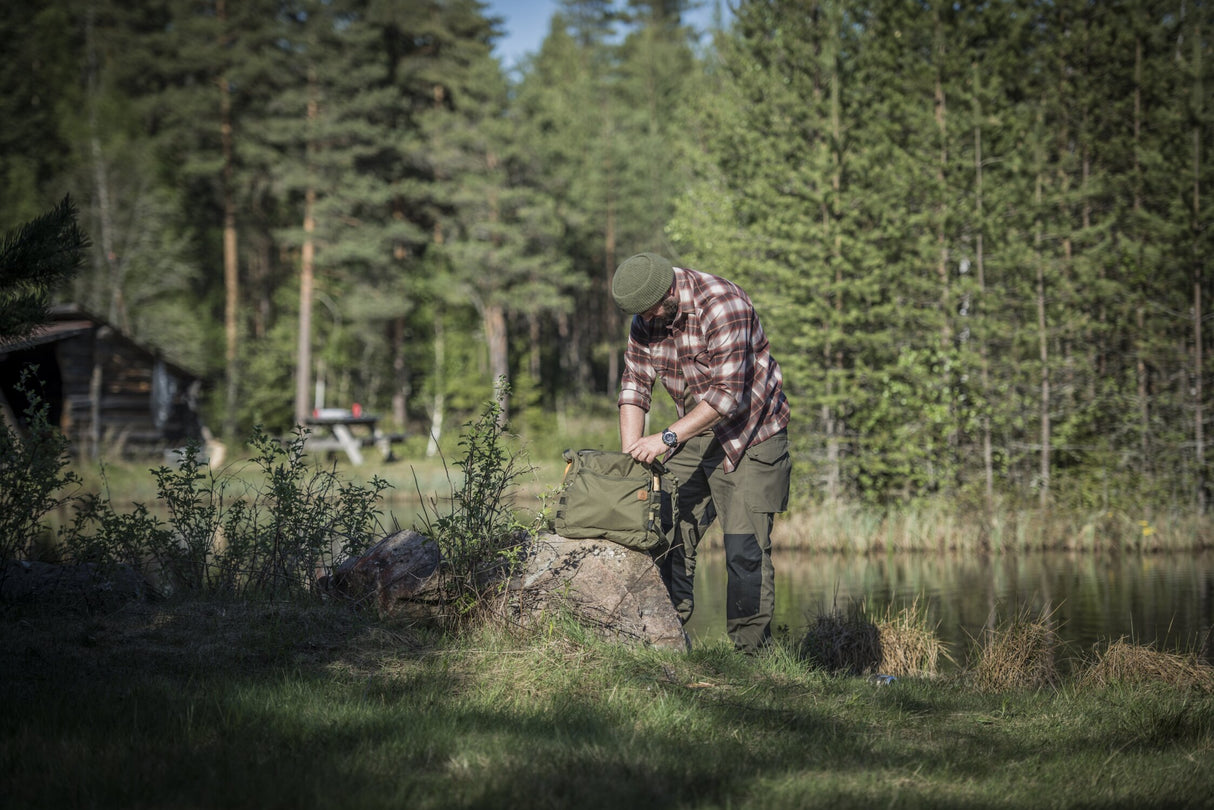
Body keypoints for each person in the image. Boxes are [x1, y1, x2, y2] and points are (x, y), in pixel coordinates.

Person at [611, 252, 792, 654]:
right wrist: (630, 452)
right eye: (641, 314)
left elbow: (727, 398)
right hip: (696, 432)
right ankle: (667, 641)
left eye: (652, 310)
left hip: (753, 433)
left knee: (744, 550)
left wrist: (665, 439)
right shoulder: (645, 318)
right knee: (667, 530)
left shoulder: (722, 303)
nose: (648, 320)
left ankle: (750, 657)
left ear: (669, 292)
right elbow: (634, 386)